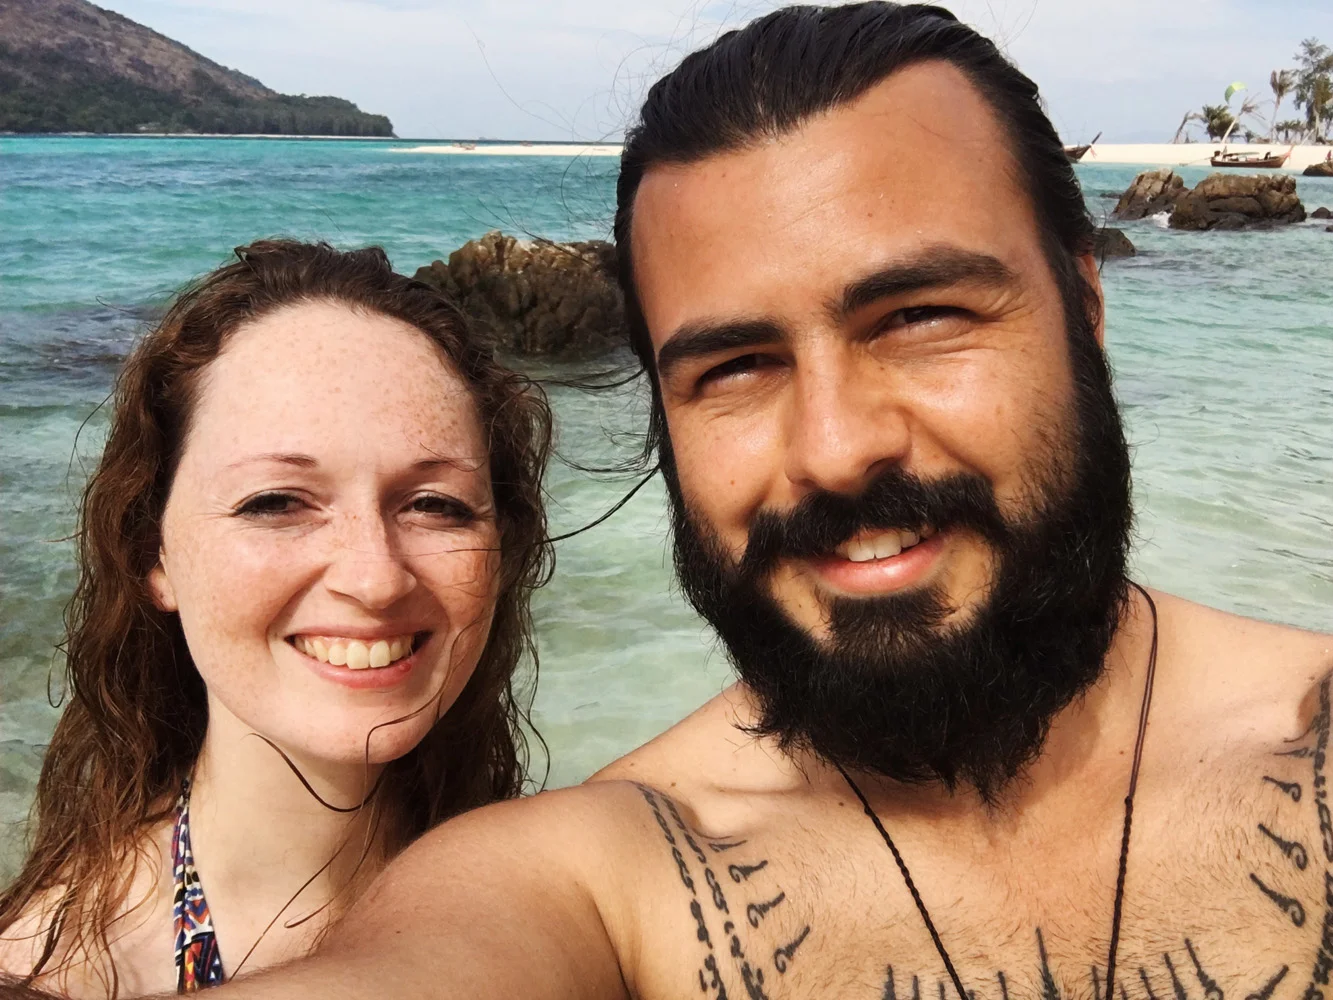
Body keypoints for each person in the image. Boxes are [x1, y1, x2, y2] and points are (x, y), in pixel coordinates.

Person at [7, 4, 1333, 1000]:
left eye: (919, 315)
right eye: (735, 365)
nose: (834, 449)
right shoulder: (594, 871)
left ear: (1085, 308)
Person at [0, 241, 552, 997]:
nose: (374, 578)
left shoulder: (574, 912)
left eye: (435, 505)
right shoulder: (48, 973)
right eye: (276, 502)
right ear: (152, 552)